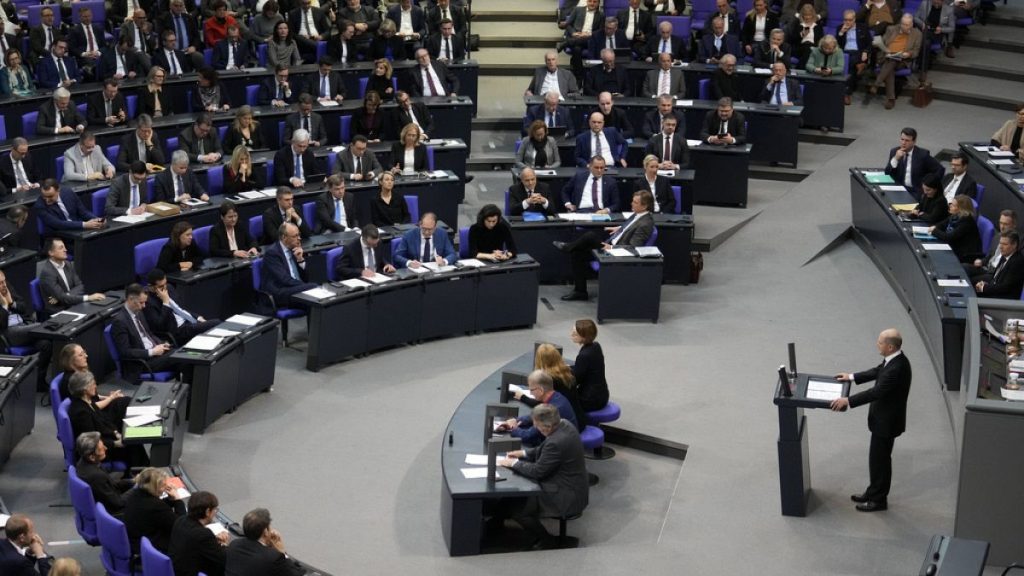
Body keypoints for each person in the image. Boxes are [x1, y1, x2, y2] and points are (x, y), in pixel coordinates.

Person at [830, 329, 912, 512]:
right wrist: (852, 377)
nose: (877, 344)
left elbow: (876, 392)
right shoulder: (894, 360)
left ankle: (878, 500)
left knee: (881, 461)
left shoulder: (897, 368)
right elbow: (877, 371)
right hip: (883, 420)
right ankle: (873, 491)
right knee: (876, 459)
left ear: (890, 347)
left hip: (887, 423)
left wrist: (848, 401)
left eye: (880, 342)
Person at [554, 189, 655, 301]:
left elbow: (633, 248)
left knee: (590, 236)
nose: (631, 203)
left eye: (635, 202)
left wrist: (611, 247)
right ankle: (580, 292)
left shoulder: (645, 224)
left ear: (644, 206)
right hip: (611, 246)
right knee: (577, 253)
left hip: (617, 254)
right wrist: (621, 229)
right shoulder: (638, 214)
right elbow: (631, 226)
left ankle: (567, 247)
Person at [110, 285, 182, 384]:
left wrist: (161, 343)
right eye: (141, 302)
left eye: (145, 302)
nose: (144, 306)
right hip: (142, 363)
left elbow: (149, 334)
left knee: (183, 356)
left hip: (154, 354)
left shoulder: (138, 312)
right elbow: (125, 352)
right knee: (182, 359)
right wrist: (152, 352)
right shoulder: (119, 322)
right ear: (131, 299)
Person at [66, 371, 136, 464]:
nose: (96, 386)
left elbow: (103, 420)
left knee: (133, 440)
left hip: (104, 440)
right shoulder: (81, 413)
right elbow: (91, 440)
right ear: (85, 389)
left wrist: (115, 433)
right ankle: (138, 473)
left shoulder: (87, 402)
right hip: (98, 452)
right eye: (93, 384)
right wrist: (115, 443)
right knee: (134, 446)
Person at [496, 370, 579, 447]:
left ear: (541, 390)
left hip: (560, 448)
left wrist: (513, 428)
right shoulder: (555, 397)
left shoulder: (552, 410)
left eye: (531, 390)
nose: (531, 393)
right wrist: (515, 421)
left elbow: (528, 436)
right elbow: (532, 416)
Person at [0, 270, 52, 388]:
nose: (4, 285)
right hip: (8, 333)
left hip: (23, 326)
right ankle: (46, 326)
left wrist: (12, 303)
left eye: (4, 281)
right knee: (41, 328)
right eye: (0, 283)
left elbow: (24, 307)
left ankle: (38, 382)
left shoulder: (6, 288)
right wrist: (4, 306)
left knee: (46, 344)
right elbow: (1, 324)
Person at [123, 467, 187, 553]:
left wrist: (171, 499)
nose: (166, 488)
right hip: (146, 546)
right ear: (154, 487)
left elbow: (157, 508)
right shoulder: (156, 506)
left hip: (134, 538)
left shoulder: (136, 494)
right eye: (163, 485)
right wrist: (178, 500)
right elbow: (180, 526)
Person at [37, 238, 106, 316]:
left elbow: (80, 286)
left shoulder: (68, 264)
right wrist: (88, 298)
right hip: (58, 310)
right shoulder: (48, 273)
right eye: (61, 248)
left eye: (64, 247)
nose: (65, 250)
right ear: (51, 253)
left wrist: (67, 296)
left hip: (71, 303)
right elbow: (61, 299)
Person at [225, 508, 304, 576]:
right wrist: (282, 552)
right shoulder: (273, 557)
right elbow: (296, 574)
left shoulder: (234, 544)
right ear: (265, 531)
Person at [168, 490, 227, 576]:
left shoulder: (181, 520)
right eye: (215, 510)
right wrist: (224, 544)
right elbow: (223, 560)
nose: (215, 513)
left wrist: (213, 540)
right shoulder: (203, 534)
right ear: (207, 512)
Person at [74, 431, 133, 516]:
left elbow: (111, 485)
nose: (106, 448)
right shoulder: (97, 476)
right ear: (92, 457)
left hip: (109, 501)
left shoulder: (83, 462)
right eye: (101, 448)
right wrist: (136, 488)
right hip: (115, 513)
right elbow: (118, 503)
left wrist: (133, 481)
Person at [870, 14, 922, 110]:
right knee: (891, 63)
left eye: (907, 25)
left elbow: (916, 51)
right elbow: (884, 43)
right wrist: (879, 45)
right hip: (886, 56)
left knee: (892, 62)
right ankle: (890, 99)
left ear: (911, 25)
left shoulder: (917, 34)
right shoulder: (891, 29)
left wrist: (908, 54)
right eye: (902, 24)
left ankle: (877, 85)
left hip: (903, 60)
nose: (904, 26)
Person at [261, 222, 317, 308]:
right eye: (295, 236)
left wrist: (300, 260)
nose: (299, 238)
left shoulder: (295, 249)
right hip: (281, 292)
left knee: (315, 299)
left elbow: (307, 278)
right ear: (284, 237)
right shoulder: (272, 253)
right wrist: (304, 286)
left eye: (299, 235)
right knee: (314, 288)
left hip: (295, 288)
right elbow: (284, 280)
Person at [884, 127, 944, 197]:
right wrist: (895, 159)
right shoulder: (894, 151)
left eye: (907, 140)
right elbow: (887, 173)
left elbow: (940, 169)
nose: (903, 143)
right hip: (899, 188)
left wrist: (930, 185)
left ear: (914, 141)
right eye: (902, 139)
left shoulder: (922, 155)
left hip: (916, 191)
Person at [928, 194, 982, 262]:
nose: (950, 206)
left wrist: (934, 230)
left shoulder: (966, 221)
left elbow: (949, 237)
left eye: (953, 205)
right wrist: (935, 227)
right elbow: (941, 225)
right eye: (951, 203)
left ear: (961, 209)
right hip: (954, 247)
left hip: (964, 255)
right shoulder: (955, 216)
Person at [967, 209, 1017, 280]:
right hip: (987, 268)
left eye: (1005, 224)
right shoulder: (997, 236)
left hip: (996, 274)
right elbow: (990, 255)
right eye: (1001, 223)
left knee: (971, 280)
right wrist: (982, 261)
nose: (1002, 227)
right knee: (964, 268)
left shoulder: (1016, 244)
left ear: (1014, 225)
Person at [571, 319, 609, 411]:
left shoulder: (583, 356)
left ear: (584, 337)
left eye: (575, 334)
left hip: (589, 400)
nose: (571, 335)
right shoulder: (596, 346)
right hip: (602, 395)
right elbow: (585, 369)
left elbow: (575, 381)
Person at [973, 231, 1024, 299]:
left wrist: (984, 288)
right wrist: (985, 284)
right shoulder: (1005, 255)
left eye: (1005, 244)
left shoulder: (1017, 262)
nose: (1001, 247)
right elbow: (996, 278)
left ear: (1014, 245)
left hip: (1004, 300)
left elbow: (1005, 287)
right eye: (1000, 243)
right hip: (997, 292)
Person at [837, 9, 871, 105]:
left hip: (858, 52)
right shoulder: (840, 28)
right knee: (850, 64)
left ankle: (846, 94)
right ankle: (859, 65)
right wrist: (841, 33)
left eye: (850, 20)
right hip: (845, 52)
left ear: (854, 19)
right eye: (845, 20)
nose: (847, 22)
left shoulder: (863, 27)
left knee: (849, 64)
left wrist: (865, 51)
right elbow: (836, 45)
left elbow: (869, 43)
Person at [561, 0, 603, 77]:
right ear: (587, 2)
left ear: (598, 3)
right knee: (577, 49)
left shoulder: (601, 15)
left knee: (587, 41)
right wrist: (573, 33)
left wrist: (588, 34)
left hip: (590, 39)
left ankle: (567, 43)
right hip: (577, 37)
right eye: (590, 1)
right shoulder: (577, 9)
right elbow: (568, 25)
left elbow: (600, 31)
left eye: (595, 2)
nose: (592, 3)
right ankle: (579, 75)